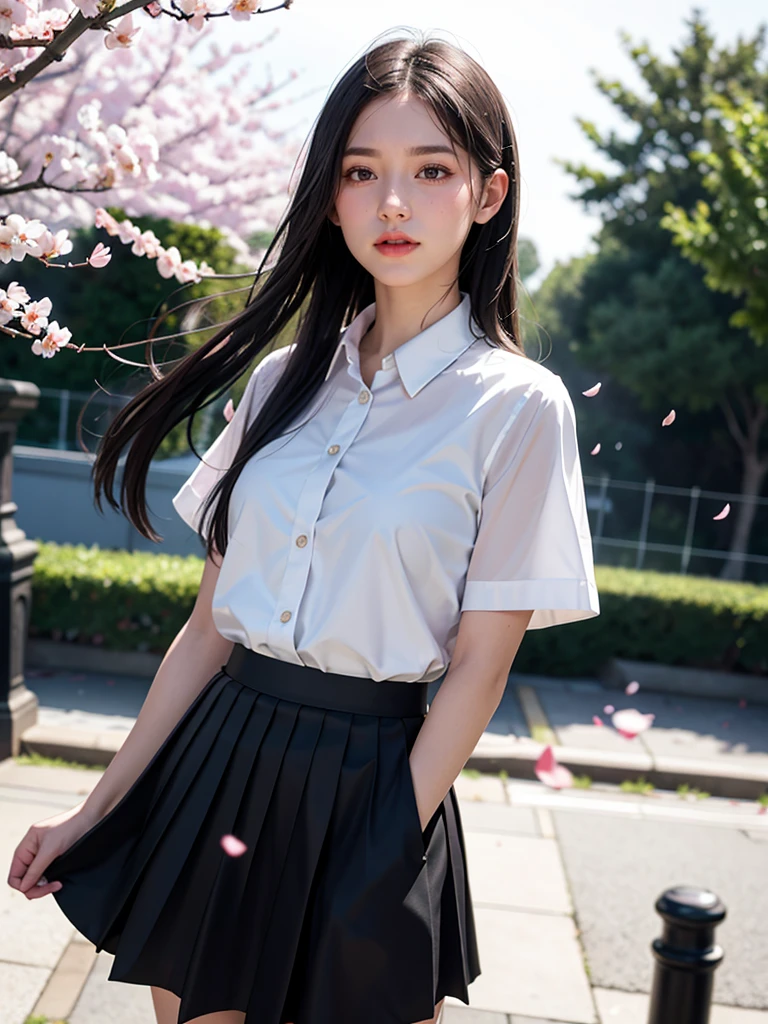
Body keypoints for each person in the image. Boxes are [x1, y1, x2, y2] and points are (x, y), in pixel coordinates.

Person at [6, 28, 600, 1024]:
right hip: (220, 758)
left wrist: (383, 844)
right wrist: (94, 808)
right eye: (362, 171)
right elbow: (207, 631)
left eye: (431, 169)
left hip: (377, 780)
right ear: (331, 193)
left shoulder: (519, 408)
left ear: (489, 193)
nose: (393, 204)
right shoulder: (283, 382)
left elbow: (481, 668)